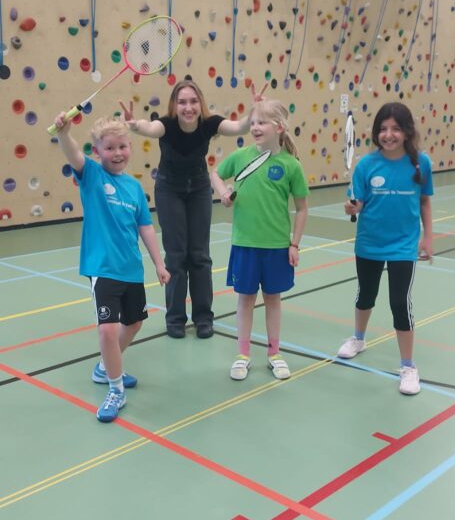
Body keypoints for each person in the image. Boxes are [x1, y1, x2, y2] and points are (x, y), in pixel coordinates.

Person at [120, 79, 266, 339]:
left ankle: (203, 318)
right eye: (182, 102)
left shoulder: (209, 124)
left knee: (199, 255)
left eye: (193, 101)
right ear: (174, 105)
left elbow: (238, 127)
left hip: (198, 189)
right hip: (169, 190)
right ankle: (175, 318)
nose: (188, 107)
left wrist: (255, 110)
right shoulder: (167, 125)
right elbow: (149, 128)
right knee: (176, 256)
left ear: (200, 103)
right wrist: (134, 125)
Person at [52, 112, 170, 423]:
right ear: (97, 151)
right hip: (102, 267)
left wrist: (159, 263)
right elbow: (73, 154)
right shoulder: (92, 175)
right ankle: (116, 389)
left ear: (130, 147)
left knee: (134, 324)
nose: (117, 153)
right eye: (110, 148)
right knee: (107, 329)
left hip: (131, 268)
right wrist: (64, 133)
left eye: (122, 146)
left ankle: (105, 367)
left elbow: (145, 227)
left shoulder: (134, 188)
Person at [337, 101, 433, 395]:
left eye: (395, 129)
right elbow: (358, 204)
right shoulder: (366, 165)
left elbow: (424, 202)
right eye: (383, 129)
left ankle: (408, 366)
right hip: (369, 243)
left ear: (407, 132)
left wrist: (428, 237)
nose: (388, 134)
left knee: (400, 303)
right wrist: (351, 207)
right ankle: (358, 338)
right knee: (366, 295)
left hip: (403, 245)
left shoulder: (421, 163)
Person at [210, 99, 308, 381]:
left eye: (262, 122)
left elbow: (302, 209)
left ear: (280, 127)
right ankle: (243, 354)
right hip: (245, 244)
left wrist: (294, 244)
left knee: (273, 300)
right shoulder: (241, 157)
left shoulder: (291, 165)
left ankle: (274, 353)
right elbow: (215, 173)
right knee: (245, 299)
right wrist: (223, 193)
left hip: (276, 247)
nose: (255, 127)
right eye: (252, 122)